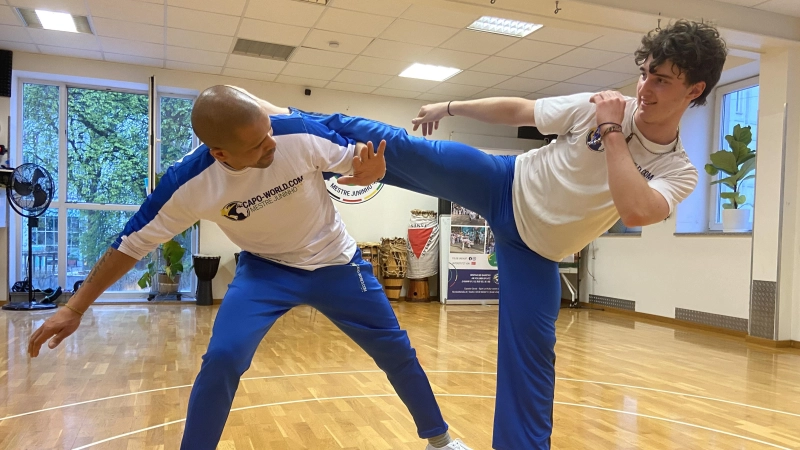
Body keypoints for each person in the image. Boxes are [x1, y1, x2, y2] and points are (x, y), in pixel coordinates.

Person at [290, 19, 728, 449]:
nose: (644, 89)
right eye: (645, 72)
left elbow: (636, 209)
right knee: (404, 149)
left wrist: (611, 129)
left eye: (662, 81)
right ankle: (288, 125)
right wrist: (450, 107)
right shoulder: (595, 105)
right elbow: (522, 110)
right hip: (503, 183)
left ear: (695, 91)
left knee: (531, 365)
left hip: (537, 253)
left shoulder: (678, 169)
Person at [27, 85, 472, 450]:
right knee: (222, 357)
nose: (271, 143)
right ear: (221, 154)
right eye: (258, 144)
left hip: (335, 260)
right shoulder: (188, 185)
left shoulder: (295, 132)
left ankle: (440, 440)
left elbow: (358, 159)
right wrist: (76, 307)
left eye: (268, 131)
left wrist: (371, 169)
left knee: (395, 348)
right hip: (266, 271)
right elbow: (128, 245)